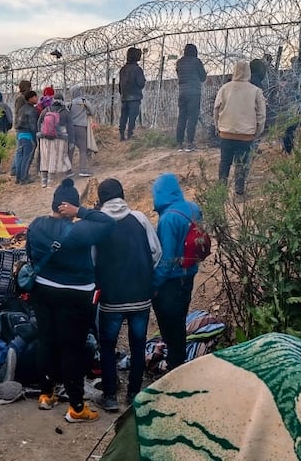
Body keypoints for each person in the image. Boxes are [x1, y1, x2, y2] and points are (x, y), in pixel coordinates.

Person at [26, 178, 115, 423]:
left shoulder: (36, 225)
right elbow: (108, 223)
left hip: (43, 290)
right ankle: (76, 408)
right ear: (70, 206)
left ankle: (46, 394)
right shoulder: (80, 230)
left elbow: (30, 255)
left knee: (46, 341)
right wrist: (82, 211)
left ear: (54, 204)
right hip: (76, 295)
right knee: (71, 349)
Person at [93, 178, 162, 411]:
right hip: (141, 295)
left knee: (107, 344)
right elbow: (156, 252)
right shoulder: (140, 218)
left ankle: (110, 395)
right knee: (138, 343)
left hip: (111, 297)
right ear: (122, 194)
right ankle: (134, 393)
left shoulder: (99, 223)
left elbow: (92, 259)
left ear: (101, 197)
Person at [151, 173, 202, 372]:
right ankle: (177, 358)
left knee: (169, 321)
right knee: (180, 318)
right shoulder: (193, 207)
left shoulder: (168, 219)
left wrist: (154, 285)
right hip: (190, 272)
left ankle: (175, 366)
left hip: (171, 280)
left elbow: (166, 259)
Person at [213, 60, 266, 196]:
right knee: (241, 165)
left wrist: (218, 127)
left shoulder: (224, 88)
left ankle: (220, 192)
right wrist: (256, 133)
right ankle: (239, 193)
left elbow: (216, 110)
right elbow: (261, 115)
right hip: (246, 136)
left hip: (226, 133)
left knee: (224, 163)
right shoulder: (256, 91)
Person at [175, 43, 207, 151]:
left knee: (182, 117)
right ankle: (189, 143)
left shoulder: (179, 62)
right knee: (192, 118)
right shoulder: (197, 62)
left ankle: (179, 143)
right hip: (194, 92)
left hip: (182, 92)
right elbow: (203, 77)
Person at [38, 92, 73, 188]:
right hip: (59, 139)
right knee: (56, 159)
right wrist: (71, 141)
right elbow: (70, 127)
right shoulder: (65, 111)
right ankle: (51, 182)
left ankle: (43, 181)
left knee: (45, 159)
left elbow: (39, 123)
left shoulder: (46, 110)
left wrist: (41, 135)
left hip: (45, 139)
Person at [12, 90, 39, 185]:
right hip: (28, 135)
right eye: (35, 97)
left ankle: (18, 178)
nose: (37, 98)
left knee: (21, 157)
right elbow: (33, 126)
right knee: (27, 158)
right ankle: (24, 178)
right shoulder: (32, 110)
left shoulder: (22, 108)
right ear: (30, 98)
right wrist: (35, 139)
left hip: (20, 135)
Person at [118, 47, 146, 141]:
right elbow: (141, 83)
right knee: (132, 117)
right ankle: (130, 134)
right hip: (134, 97)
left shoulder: (123, 69)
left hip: (124, 96)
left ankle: (122, 135)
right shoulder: (137, 69)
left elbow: (120, 84)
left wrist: (122, 93)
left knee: (124, 116)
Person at [67, 86, 93, 177]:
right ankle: (83, 169)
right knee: (83, 149)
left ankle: (68, 170)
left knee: (71, 148)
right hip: (81, 127)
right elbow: (91, 111)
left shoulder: (70, 103)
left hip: (71, 128)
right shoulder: (83, 101)